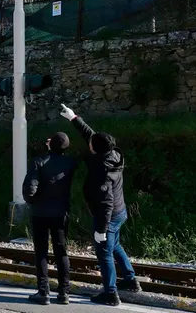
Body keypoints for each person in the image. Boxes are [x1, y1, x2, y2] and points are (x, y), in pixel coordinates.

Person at [59, 103, 142, 306]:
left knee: (104, 251)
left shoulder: (102, 172)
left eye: (91, 144)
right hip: (120, 212)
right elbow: (92, 135)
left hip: (109, 215)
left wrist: (101, 230)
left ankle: (110, 293)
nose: (88, 143)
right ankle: (131, 280)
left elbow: (106, 203)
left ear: (95, 149)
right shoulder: (112, 154)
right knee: (115, 246)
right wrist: (73, 118)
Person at [22, 132, 77, 305]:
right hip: (61, 213)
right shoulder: (70, 163)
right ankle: (64, 293)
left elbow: (30, 190)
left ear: (50, 144)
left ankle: (43, 292)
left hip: (40, 213)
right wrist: (54, 147)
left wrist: (32, 201)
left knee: (41, 253)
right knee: (61, 252)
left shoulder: (38, 162)